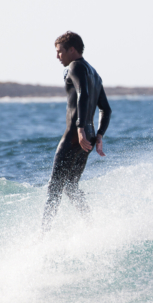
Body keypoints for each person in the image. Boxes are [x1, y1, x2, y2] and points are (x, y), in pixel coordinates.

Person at [42, 31, 112, 232]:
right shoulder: (94, 73)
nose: (57, 57)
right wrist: (99, 136)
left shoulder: (75, 66)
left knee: (54, 188)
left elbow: (83, 94)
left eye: (60, 52)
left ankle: (42, 236)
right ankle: (92, 226)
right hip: (88, 137)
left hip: (76, 135)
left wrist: (80, 129)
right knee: (71, 186)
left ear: (72, 50)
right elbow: (106, 108)